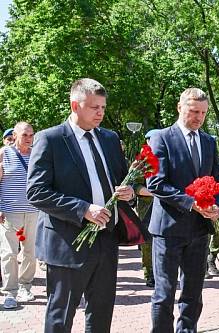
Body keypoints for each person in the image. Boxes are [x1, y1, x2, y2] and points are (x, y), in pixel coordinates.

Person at [26, 78, 135, 332]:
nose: (100, 113)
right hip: (67, 243)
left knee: (101, 314)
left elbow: (120, 178)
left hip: (106, 240)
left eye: (103, 107)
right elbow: (36, 191)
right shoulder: (50, 139)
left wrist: (129, 192)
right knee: (61, 316)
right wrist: (83, 209)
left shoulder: (109, 138)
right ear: (75, 105)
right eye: (94, 107)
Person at [146, 87, 219, 332]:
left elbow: (216, 181)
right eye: (193, 111)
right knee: (164, 293)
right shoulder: (161, 138)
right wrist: (192, 204)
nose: (198, 117)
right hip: (168, 228)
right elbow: (155, 183)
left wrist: (215, 207)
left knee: (193, 292)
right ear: (179, 108)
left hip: (199, 231)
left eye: (203, 112)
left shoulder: (209, 141)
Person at [0, 122, 38, 309]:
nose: (29, 138)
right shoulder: (3, 153)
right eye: (25, 135)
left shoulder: (36, 154)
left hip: (33, 212)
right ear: (14, 135)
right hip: (10, 212)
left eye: (31, 135)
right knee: (9, 253)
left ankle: (25, 286)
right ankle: (10, 292)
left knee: (30, 252)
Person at [134, 129, 160, 287]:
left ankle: (161, 272)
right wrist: (156, 193)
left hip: (165, 206)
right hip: (147, 208)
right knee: (148, 242)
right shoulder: (142, 163)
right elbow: (135, 186)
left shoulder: (167, 158)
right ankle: (149, 273)